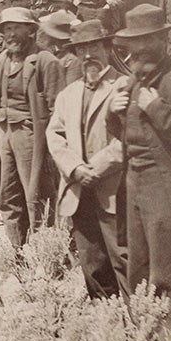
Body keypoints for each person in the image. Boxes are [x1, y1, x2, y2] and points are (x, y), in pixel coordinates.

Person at [109, 4, 171, 305]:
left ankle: (170, 338)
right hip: (135, 186)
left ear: (161, 40)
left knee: (168, 267)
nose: (138, 48)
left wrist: (156, 108)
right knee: (138, 263)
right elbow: (127, 134)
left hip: (167, 188)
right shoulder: (133, 80)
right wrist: (113, 113)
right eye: (133, 42)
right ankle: (141, 330)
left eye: (145, 40)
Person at [46, 20, 127, 299]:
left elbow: (131, 138)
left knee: (123, 260)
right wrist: (76, 168)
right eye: (82, 48)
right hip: (79, 190)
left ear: (106, 47)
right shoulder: (68, 94)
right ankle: (105, 326)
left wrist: (98, 167)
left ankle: (138, 326)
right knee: (92, 263)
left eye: (93, 46)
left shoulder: (124, 86)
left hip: (115, 191)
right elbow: (54, 135)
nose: (88, 54)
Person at [0, 6, 64, 247]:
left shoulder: (45, 61)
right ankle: (17, 252)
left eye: (16, 28)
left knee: (37, 194)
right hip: (4, 132)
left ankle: (47, 253)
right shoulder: (3, 59)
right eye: (7, 29)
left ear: (31, 31)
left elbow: (57, 108)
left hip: (31, 135)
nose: (10, 35)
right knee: (8, 194)